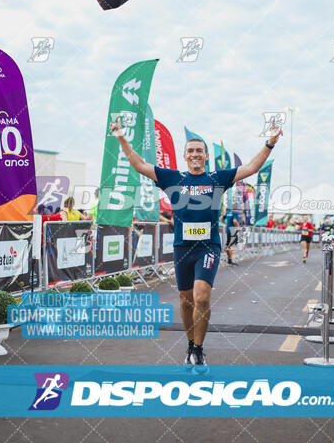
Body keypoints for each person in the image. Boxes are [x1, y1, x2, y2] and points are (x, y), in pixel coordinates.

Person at [109, 116, 282, 370]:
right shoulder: (172, 177)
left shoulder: (216, 178)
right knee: (186, 300)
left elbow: (251, 168)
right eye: (190, 151)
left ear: (206, 155)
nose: (195, 154)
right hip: (182, 248)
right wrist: (121, 136)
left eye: (199, 151)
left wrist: (271, 142)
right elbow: (139, 165)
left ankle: (199, 350)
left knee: (201, 297)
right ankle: (190, 344)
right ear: (185, 155)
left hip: (208, 247)